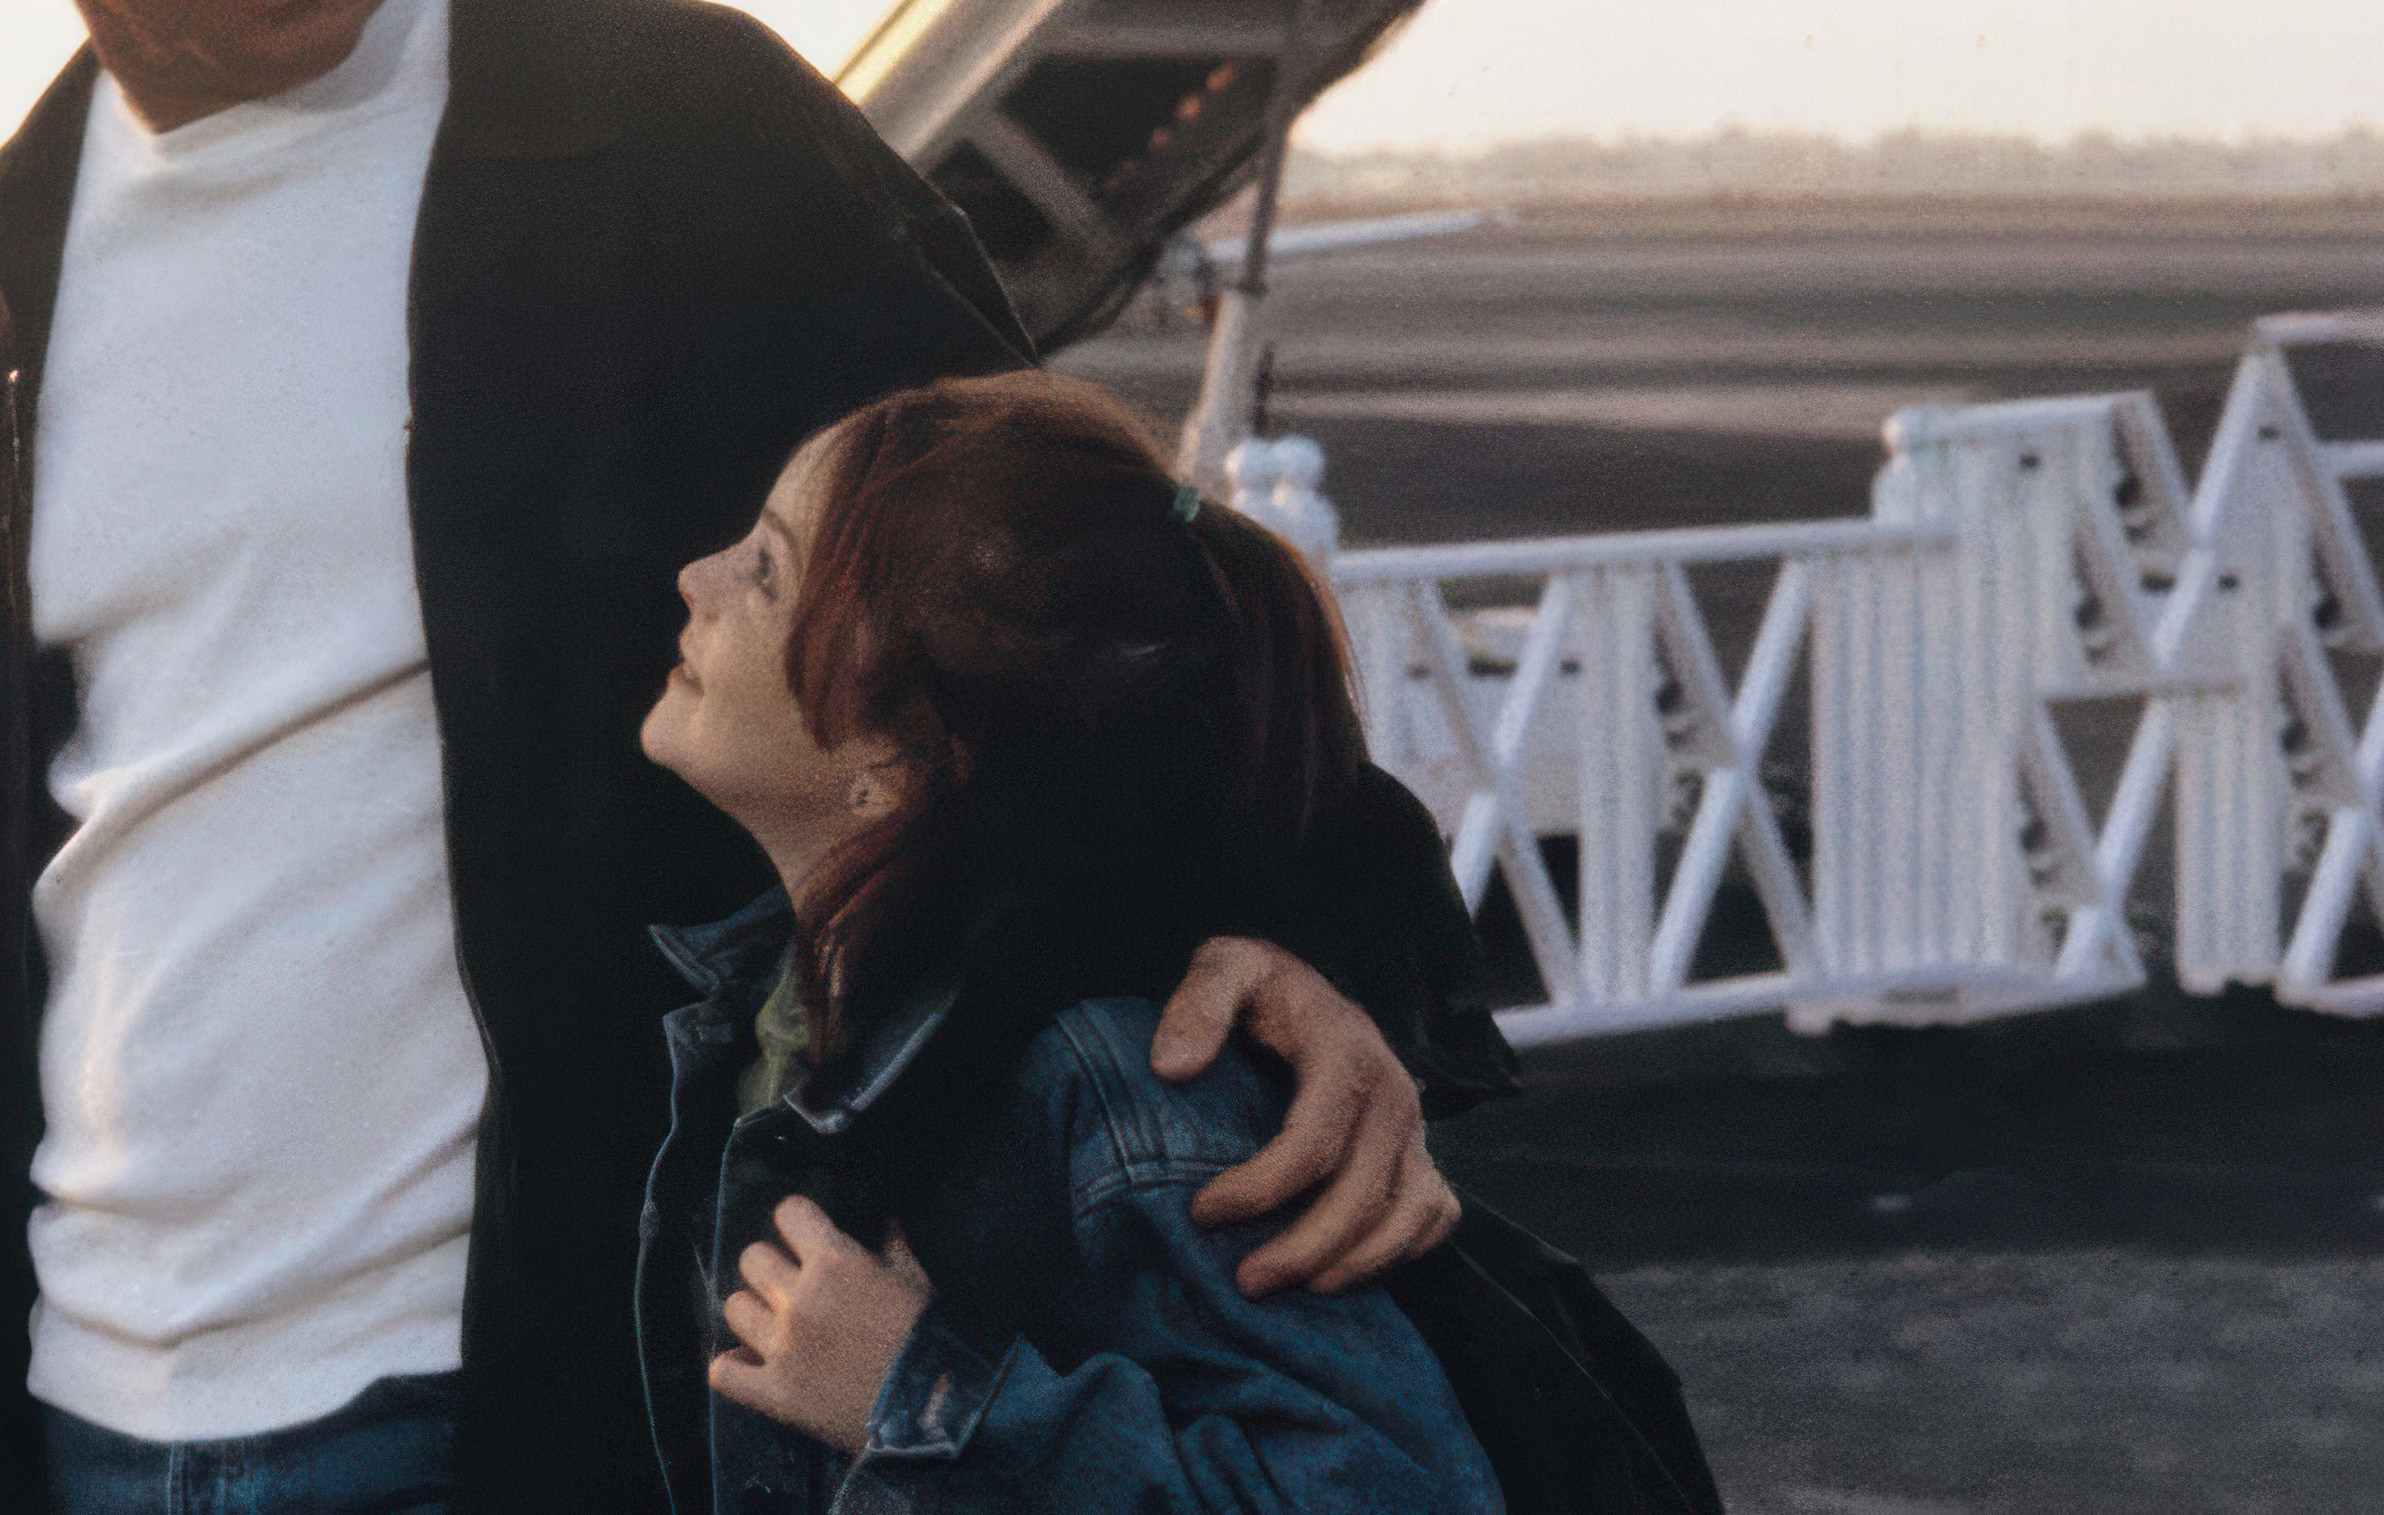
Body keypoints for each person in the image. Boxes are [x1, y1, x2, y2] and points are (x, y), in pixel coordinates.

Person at [0, 0, 1510, 1515]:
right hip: (72, 1412)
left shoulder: (674, 136)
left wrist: (1328, 953)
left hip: (524, 1396)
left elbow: (1085, 592)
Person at [634, 371, 1714, 1513]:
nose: (696, 577)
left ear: (903, 762)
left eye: (768, 572)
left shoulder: (1112, 1076)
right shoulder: (780, 1002)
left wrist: (921, 1395)